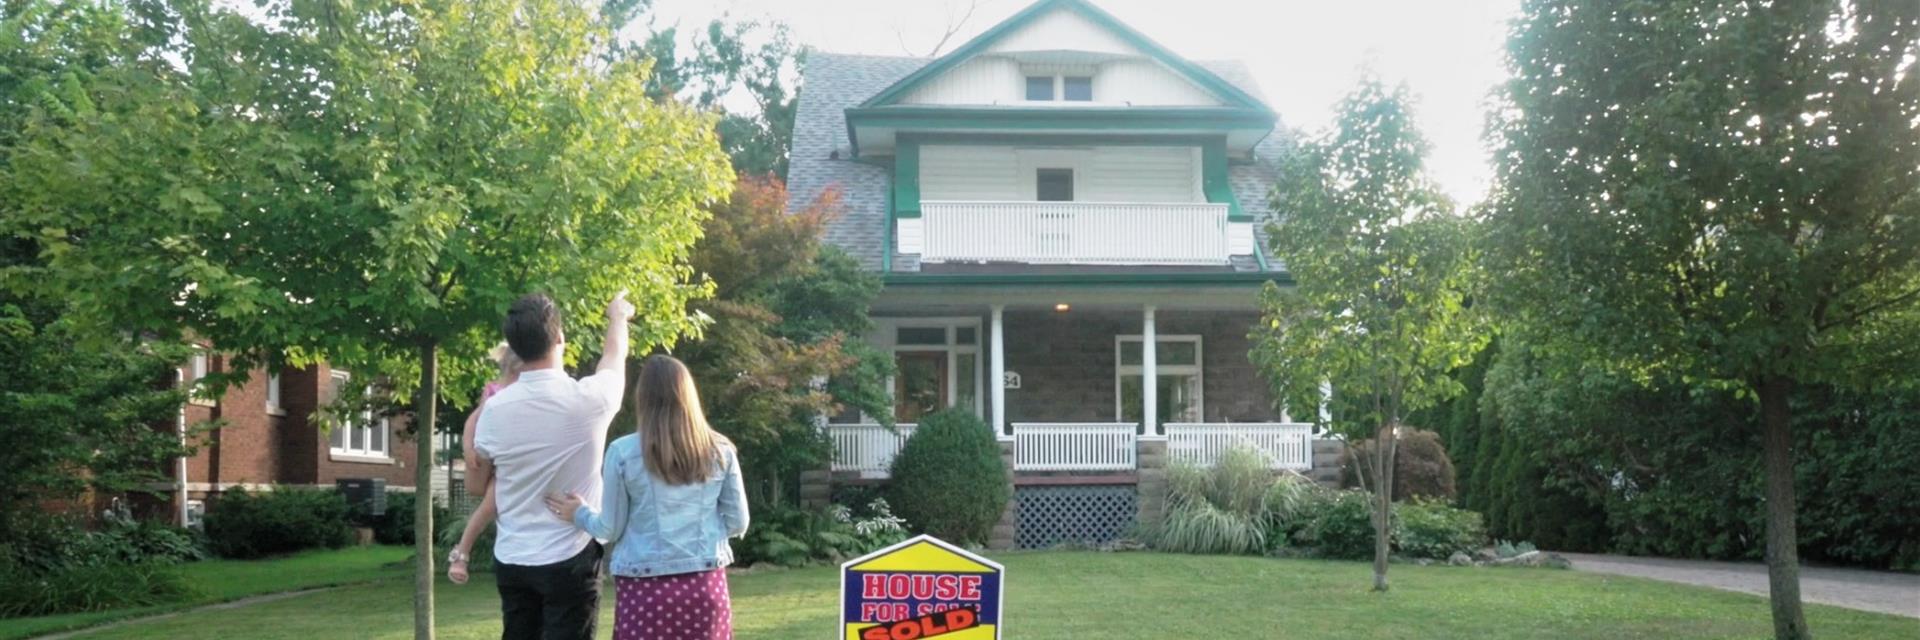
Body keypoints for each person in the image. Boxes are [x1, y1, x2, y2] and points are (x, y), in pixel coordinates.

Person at [546, 354, 749, 640]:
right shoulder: (720, 451)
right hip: (704, 586)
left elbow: (610, 529)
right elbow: (739, 522)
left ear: (643, 399)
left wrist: (579, 513)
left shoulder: (622, 453)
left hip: (644, 588)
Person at [472, 290, 633, 640]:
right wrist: (617, 316)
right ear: (559, 337)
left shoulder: (494, 412)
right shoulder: (589, 400)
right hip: (570, 557)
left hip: (513, 559)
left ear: (514, 346)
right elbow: (614, 356)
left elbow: (479, 472)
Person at [448, 343, 522, 585]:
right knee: (490, 505)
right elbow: (473, 420)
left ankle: (463, 553)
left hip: (509, 460)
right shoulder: (494, 391)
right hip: (489, 457)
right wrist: (467, 447)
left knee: (495, 505)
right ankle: (462, 554)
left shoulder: (524, 393)